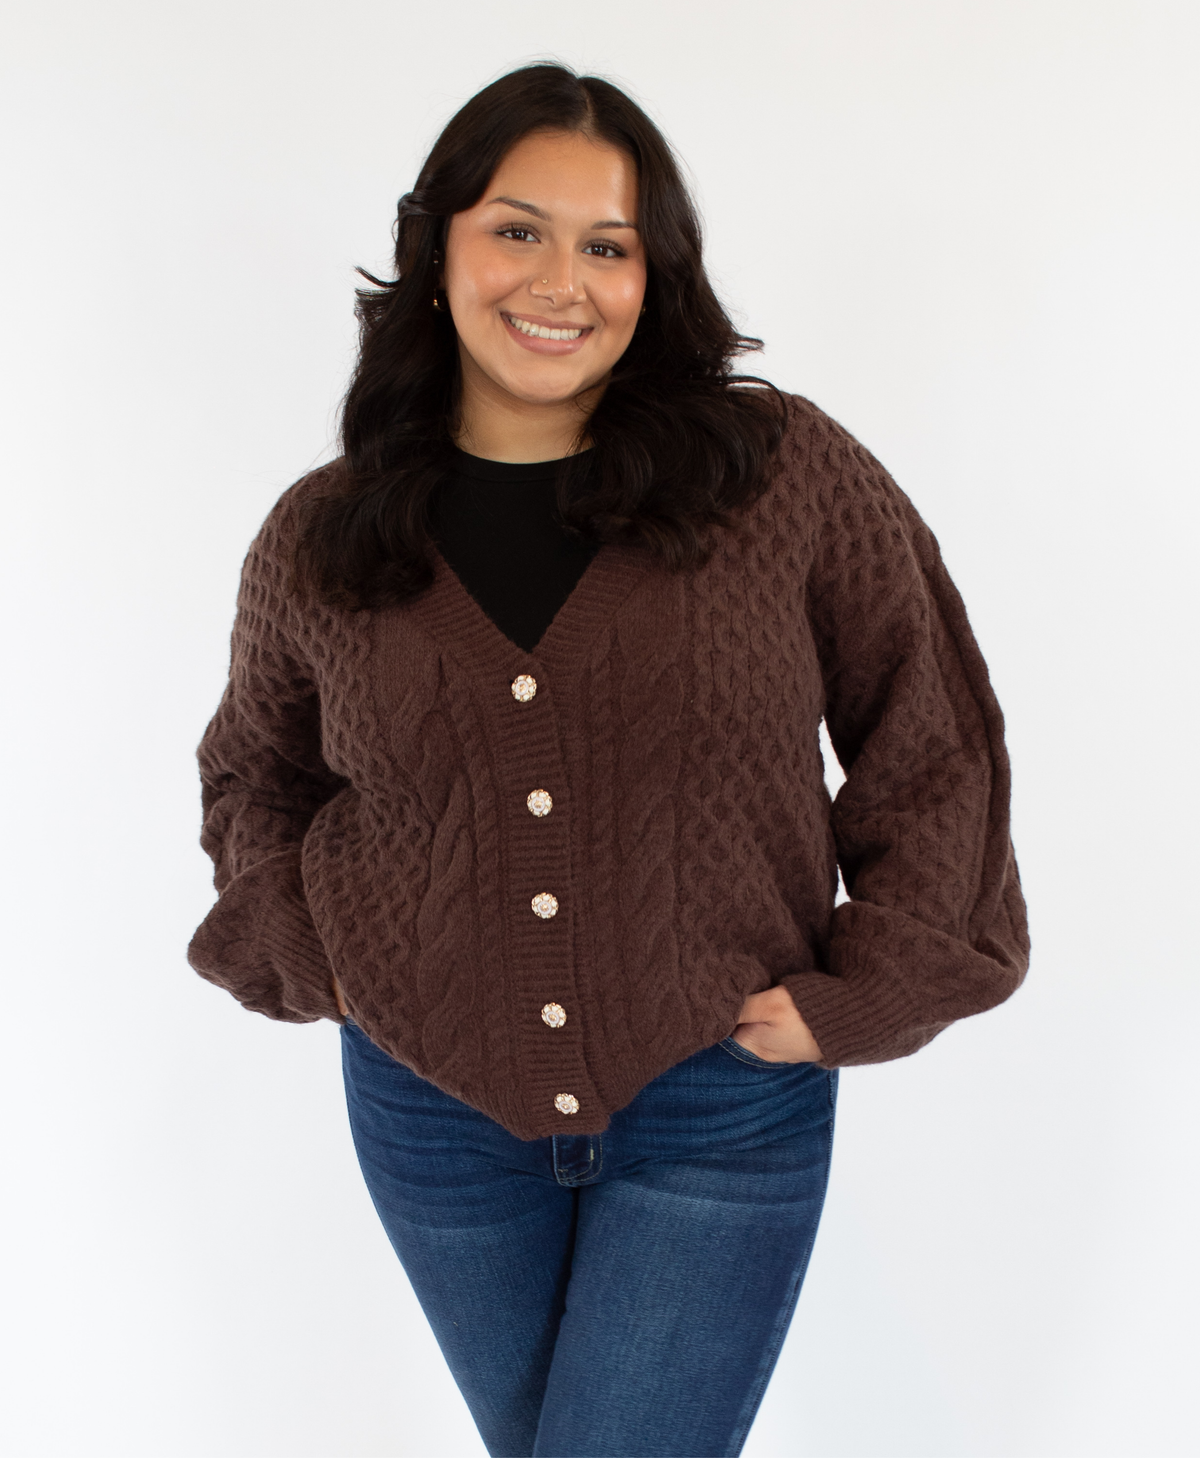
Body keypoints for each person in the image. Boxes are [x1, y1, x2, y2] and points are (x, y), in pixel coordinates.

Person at [188, 62, 1030, 1458]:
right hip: (433, 1103)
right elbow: (255, 774)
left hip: (720, 1097)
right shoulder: (323, 533)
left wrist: (880, 980)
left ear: (655, 273)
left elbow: (929, 723)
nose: (559, 279)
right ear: (438, 246)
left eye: (608, 243)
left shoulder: (780, 473)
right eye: (518, 229)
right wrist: (308, 945)